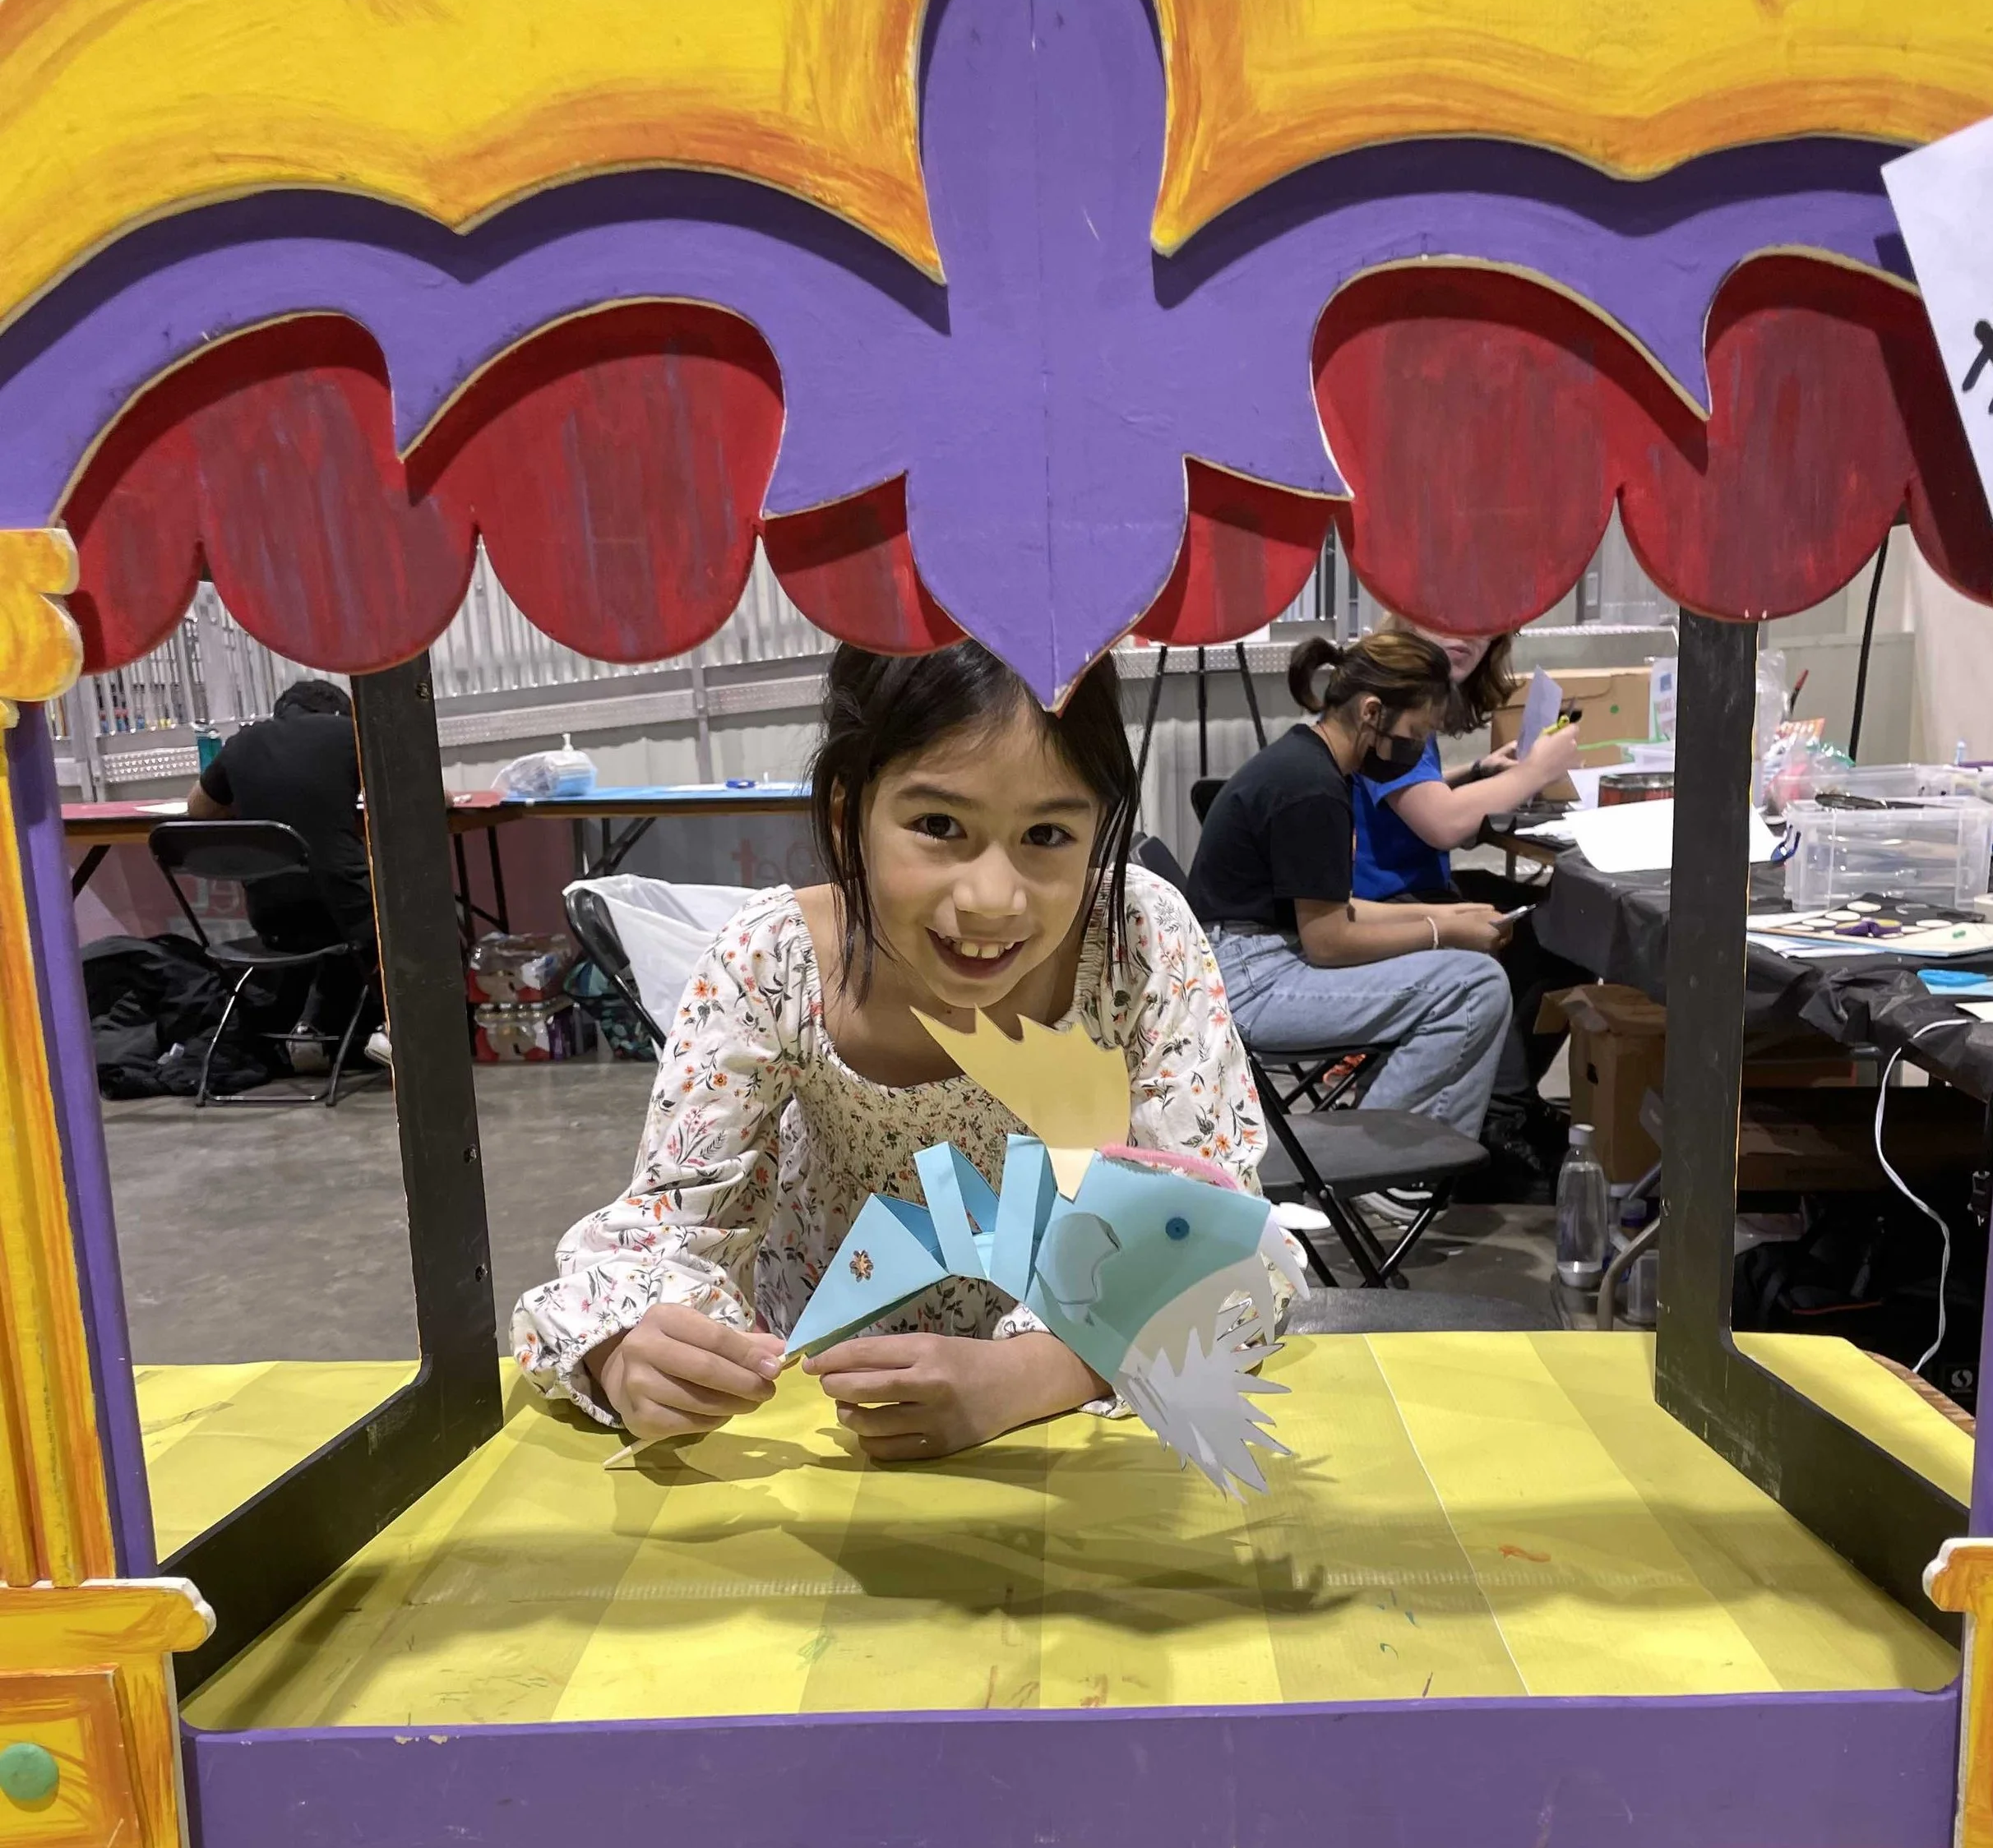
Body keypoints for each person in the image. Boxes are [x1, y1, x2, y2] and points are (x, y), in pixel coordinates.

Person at [511, 641, 1289, 1462]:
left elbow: (1220, 1238)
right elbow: (664, 1226)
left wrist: (1041, 1370)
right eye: (938, 825)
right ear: (849, 816)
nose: (993, 897)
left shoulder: (1137, 940)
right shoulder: (773, 963)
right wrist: (632, 1350)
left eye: (1048, 833)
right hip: (821, 1416)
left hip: (1091, 1424)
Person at [1184, 631, 1513, 1139]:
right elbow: (1329, 940)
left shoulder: (1312, 765)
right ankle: (1389, 1162)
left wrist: (1453, 918)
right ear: (1371, 712)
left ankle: (1384, 1144)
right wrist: (1442, 934)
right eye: (1416, 731)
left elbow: (1336, 907)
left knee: (1470, 969)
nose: (1419, 746)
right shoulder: (1312, 788)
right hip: (1251, 981)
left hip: (1249, 959)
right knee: (1474, 986)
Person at [1351, 622, 1589, 1192]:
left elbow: (1418, 792)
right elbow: (1441, 823)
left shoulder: (1402, 694)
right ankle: (1499, 1125)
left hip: (1400, 886)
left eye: (1484, 628)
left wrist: (1478, 772)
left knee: (1559, 921)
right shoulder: (1392, 702)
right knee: (1539, 934)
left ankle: (1505, 1106)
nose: (1466, 637)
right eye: (1446, 618)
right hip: (1385, 904)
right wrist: (1534, 772)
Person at [183, 678, 386, 1064]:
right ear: (341, 712)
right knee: (411, 907)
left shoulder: (242, 742)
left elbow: (198, 810)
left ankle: (311, 1032)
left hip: (274, 923)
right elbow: (417, 793)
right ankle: (390, 1031)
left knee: (335, 915)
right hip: (348, 918)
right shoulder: (351, 734)